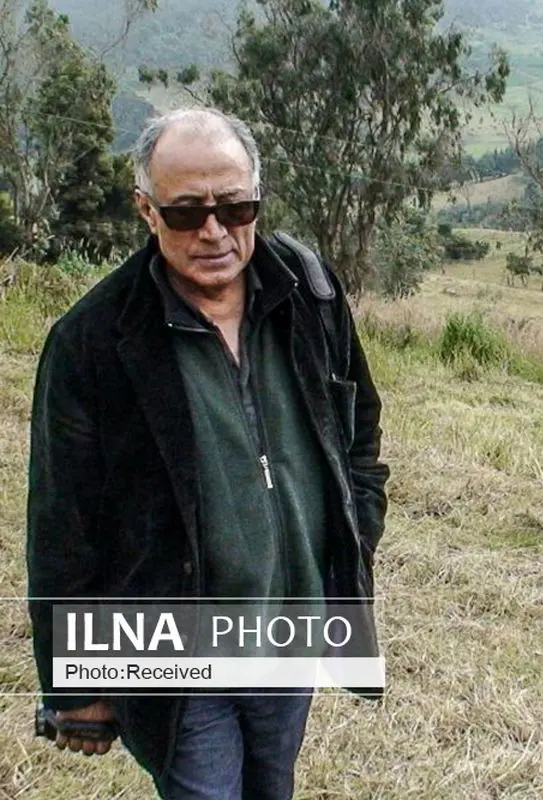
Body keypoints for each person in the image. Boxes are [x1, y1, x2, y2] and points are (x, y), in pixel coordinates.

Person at [25, 106, 390, 798]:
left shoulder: (309, 293)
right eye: (188, 212)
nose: (216, 231)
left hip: (291, 628)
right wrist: (75, 685)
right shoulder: (94, 341)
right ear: (146, 210)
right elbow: (61, 524)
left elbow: (358, 432)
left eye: (237, 205)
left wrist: (355, 531)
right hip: (174, 648)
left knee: (271, 786)